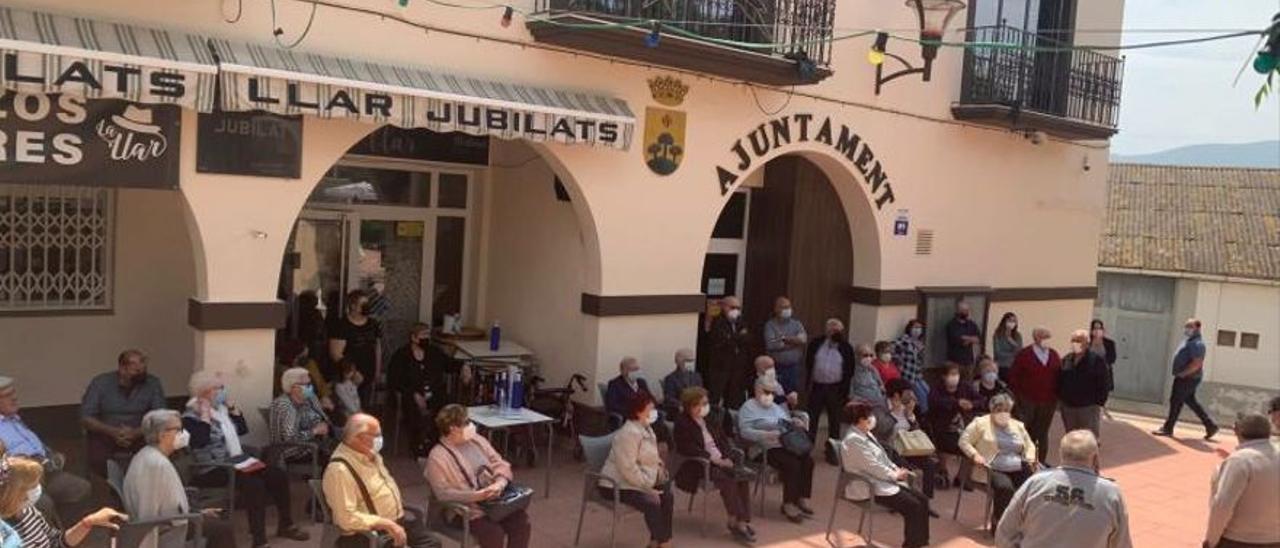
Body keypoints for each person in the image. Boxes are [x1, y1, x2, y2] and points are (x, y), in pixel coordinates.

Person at [182, 372, 309, 546]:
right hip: (212, 468)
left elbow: (242, 430)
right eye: (218, 388)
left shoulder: (220, 411)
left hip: (235, 462)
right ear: (204, 392)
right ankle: (259, 540)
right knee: (254, 484)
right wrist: (204, 416)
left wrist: (234, 410)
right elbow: (200, 441)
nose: (222, 392)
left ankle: (286, 524)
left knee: (277, 475)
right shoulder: (190, 417)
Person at [995, 430, 1131, 548]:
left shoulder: (1035, 483)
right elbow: (1122, 544)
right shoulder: (1111, 493)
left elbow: (1004, 533)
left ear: (1061, 454)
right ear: (1095, 458)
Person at [125, 410, 238, 548]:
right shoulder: (155, 464)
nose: (183, 434)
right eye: (178, 430)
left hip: (174, 520)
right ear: (162, 434)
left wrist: (196, 512)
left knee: (219, 525)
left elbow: (166, 502)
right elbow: (149, 514)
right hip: (169, 529)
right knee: (222, 529)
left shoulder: (149, 455)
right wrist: (193, 516)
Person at [322, 414, 438, 548]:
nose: (380, 439)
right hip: (368, 534)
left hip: (395, 523)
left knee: (433, 543)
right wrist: (386, 524)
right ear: (359, 437)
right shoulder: (339, 470)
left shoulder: (371, 455)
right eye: (376, 435)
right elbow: (346, 518)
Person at [425, 405, 531, 548]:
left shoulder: (477, 440)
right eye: (466, 422)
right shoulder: (437, 457)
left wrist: (500, 483)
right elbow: (443, 494)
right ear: (453, 428)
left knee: (521, 523)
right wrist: (478, 496)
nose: (471, 425)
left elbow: (499, 463)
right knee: (494, 534)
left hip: (495, 502)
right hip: (465, 510)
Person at [0, 377, 91, 525]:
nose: (14, 398)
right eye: (7, 395)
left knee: (79, 488)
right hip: (20, 480)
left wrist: (51, 454)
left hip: (46, 471)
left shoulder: (14, 418)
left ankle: (65, 533)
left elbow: (33, 443)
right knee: (43, 504)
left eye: (13, 392)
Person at [840, 401, 931, 548]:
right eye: (868, 415)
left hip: (883, 479)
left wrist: (897, 470)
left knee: (923, 500)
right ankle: (912, 545)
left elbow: (882, 458)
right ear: (860, 419)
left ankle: (922, 542)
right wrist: (894, 475)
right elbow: (872, 466)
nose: (872, 418)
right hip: (869, 485)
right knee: (913, 506)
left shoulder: (866, 433)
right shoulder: (853, 441)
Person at [672, 387, 754, 542]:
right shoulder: (682, 423)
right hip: (700, 465)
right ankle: (735, 519)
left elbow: (723, 440)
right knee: (727, 480)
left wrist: (728, 457)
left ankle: (741, 520)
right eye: (701, 404)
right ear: (691, 406)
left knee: (742, 477)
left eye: (706, 403)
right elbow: (687, 448)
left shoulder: (710, 418)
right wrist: (715, 460)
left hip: (722, 459)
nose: (705, 407)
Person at [1, 457, 127, 548]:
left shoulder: (29, 511)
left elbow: (56, 541)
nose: (38, 488)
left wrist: (88, 522)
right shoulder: (5, 534)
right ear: (15, 495)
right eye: (32, 486)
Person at [600, 392, 673, 548]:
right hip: (616, 484)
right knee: (652, 502)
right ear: (638, 411)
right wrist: (647, 488)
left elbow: (651, 457)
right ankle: (665, 543)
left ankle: (656, 541)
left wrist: (660, 470)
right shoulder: (628, 434)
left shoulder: (647, 429)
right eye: (650, 409)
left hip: (639, 479)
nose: (655, 413)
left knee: (668, 495)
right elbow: (628, 468)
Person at [737, 377, 814, 523]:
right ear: (757, 389)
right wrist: (766, 434)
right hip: (762, 448)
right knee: (792, 464)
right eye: (766, 391)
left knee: (807, 460)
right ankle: (788, 504)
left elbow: (786, 423)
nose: (769, 395)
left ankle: (800, 498)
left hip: (783, 444)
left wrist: (795, 423)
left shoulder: (776, 408)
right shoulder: (748, 407)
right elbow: (744, 432)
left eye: (772, 392)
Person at [79, 349, 167, 478]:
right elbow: (86, 416)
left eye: (143, 368)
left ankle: (140, 486)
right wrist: (113, 432)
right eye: (136, 371)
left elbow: (160, 416)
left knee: (155, 457)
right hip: (106, 432)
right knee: (98, 460)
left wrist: (136, 433)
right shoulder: (100, 383)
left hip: (141, 433)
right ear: (122, 369)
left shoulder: (153, 383)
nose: (141, 372)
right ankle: (112, 487)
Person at [959, 393, 1039, 532]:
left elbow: (1029, 445)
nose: (1003, 413)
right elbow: (963, 441)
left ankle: (1022, 523)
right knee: (1005, 488)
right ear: (992, 409)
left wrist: (1031, 458)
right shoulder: (980, 423)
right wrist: (975, 455)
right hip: (991, 466)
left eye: (1006, 410)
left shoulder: (1017, 425)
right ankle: (998, 523)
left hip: (1016, 464)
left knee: (1033, 485)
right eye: (999, 410)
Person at [1204, 413, 1280, 548]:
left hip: (1239, 539)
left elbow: (1222, 506)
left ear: (1236, 431)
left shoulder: (1240, 461)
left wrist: (1211, 541)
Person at [387, 324, 452, 453]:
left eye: (428, 335)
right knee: (413, 408)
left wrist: (464, 367)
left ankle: (436, 442)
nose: (426, 338)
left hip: (433, 392)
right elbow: (394, 380)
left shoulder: (434, 352)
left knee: (445, 404)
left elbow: (449, 363)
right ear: (414, 338)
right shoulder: (401, 355)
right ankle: (418, 445)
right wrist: (414, 394)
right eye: (423, 335)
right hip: (410, 394)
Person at [1153, 319, 1219, 440]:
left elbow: (1197, 363)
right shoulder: (1190, 341)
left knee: (1176, 401)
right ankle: (1210, 425)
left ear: (1198, 328)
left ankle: (1168, 428)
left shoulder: (1197, 344)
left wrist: (1183, 374)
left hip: (1188, 377)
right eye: (1186, 326)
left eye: (1190, 326)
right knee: (1190, 401)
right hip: (1185, 377)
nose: (1187, 329)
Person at [806, 318, 855, 463]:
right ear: (826, 330)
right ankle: (807, 449)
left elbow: (850, 370)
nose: (834, 332)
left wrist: (845, 392)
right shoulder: (816, 343)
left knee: (834, 421)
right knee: (812, 420)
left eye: (837, 330)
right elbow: (809, 363)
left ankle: (832, 451)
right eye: (831, 329)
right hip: (818, 386)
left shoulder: (846, 347)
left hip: (835, 388)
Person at [1009, 328, 1061, 465]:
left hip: (1048, 401)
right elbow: (1014, 377)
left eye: (1049, 336)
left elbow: (1059, 376)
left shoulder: (1054, 355)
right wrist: (1018, 398)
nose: (1047, 339)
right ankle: (1021, 461)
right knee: (1025, 431)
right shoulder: (1024, 354)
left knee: (1042, 433)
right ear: (1036, 337)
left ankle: (1039, 461)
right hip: (1027, 400)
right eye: (1045, 336)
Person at [881, 379, 939, 499]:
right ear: (897, 394)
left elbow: (916, 433)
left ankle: (926, 500)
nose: (910, 396)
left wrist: (911, 417)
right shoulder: (881, 408)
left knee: (929, 464)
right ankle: (903, 499)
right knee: (905, 467)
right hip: (890, 450)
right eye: (907, 393)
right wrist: (894, 414)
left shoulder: (905, 408)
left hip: (907, 449)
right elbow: (881, 430)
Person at [328, 290, 384, 408]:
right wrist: (353, 373)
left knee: (365, 407)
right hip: (348, 375)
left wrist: (378, 370)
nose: (367, 308)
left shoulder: (373, 324)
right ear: (353, 305)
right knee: (349, 409)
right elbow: (335, 353)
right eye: (363, 304)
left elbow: (377, 347)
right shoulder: (342, 325)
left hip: (368, 372)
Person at [269, 367, 336, 463]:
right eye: (307, 385)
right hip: (291, 452)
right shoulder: (285, 405)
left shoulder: (302, 401)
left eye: (310, 384)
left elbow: (319, 420)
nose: (310, 388)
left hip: (308, 447)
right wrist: (315, 431)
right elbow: (291, 439)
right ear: (294, 387)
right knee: (336, 459)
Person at [928, 362, 978, 487]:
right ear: (944, 376)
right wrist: (956, 403)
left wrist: (972, 404)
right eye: (952, 374)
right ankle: (942, 471)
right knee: (946, 443)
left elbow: (980, 399)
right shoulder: (936, 389)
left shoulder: (964, 387)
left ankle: (961, 478)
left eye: (957, 374)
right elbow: (935, 402)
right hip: (943, 430)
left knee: (975, 444)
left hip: (963, 428)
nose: (955, 377)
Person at [605, 357, 672, 444]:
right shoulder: (615, 384)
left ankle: (662, 448)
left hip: (646, 414)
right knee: (653, 425)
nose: (635, 372)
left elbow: (651, 398)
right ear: (623, 370)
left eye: (637, 369)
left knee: (660, 423)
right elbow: (612, 405)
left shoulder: (641, 382)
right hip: (629, 416)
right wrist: (634, 411)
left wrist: (649, 407)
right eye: (632, 369)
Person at [1058, 330, 1110, 440]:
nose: (1075, 343)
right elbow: (1060, 379)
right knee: (1071, 438)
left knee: (1087, 439)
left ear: (1087, 343)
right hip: (1068, 407)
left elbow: (1104, 382)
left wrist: (1099, 403)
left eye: (1079, 341)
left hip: (1088, 407)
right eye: (1073, 340)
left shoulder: (1096, 360)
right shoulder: (1067, 359)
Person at [706, 296, 751, 408]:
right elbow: (722, 340)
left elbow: (747, 338)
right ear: (724, 307)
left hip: (737, 367)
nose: (736, 310)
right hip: (721, 367)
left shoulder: (741, 321)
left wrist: (732, 337)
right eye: (732, 307)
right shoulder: (718, 321)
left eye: (738, 308)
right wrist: (738, 337)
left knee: (734, 398)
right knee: (716, 396)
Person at [763, 296, 807, 397]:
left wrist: (783, 339)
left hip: (793, 368)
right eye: (783, 307)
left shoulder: (797, 324)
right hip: (776, 368)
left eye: (788, 306)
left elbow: (803, 340)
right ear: (776, 309)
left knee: (791, 396)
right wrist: (794, 344)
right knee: (775, 396)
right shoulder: (770, 325)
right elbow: (772, 344)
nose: (787, 309)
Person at [891, 319, 930, 413]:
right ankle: (924, 416)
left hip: (918, 375)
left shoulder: (919, 343)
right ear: (910, 328)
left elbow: (920, 360)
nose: (917, 330)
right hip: (908, 375)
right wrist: (898, 360)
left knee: (928, 393)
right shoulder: (904, 340)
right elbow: (891, 348)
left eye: (920, 328)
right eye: (915, 327)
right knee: (922, 397)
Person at [945, 299, 983, 379]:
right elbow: (958, 340)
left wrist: (966, 338)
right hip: (954, 361)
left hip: (969, 361)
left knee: (968, 385)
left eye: (967, 310)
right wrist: (971, 338)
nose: (965, 312)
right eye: (963, 310)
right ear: (958, 311)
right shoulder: (952, 325)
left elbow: (978, 339)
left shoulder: (971, 324)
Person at [661, 348, 702, 419]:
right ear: (679, 361)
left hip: (697, 408)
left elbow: (701, 393)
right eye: (687, 361)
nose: (689, 364)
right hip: (680, 410)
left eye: (691, 361)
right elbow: (669, 398)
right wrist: (684, 405)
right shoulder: (671, 378)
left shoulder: (696, 376)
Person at [1089, 320, 1118, 399]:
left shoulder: (1109, 343)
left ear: (1103, 330)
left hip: (1104, 374)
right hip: (1090, 375)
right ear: (1091, 330)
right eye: (1095, 328)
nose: (1097, 331)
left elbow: (1112, 358)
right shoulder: (1088, 343)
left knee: (1102, 398)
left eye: (1099, 328)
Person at [992, 313, 1023, 382]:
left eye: (1014, 321)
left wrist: (1011, 341)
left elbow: (1020, 352)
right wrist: (1013, 354)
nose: (1012, 323)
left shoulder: (1018, 335)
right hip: (1001, 366)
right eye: (1010, 320)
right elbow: (997, 353)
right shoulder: (997, 334)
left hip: (1014, 367)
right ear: (1004, 321)